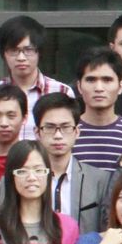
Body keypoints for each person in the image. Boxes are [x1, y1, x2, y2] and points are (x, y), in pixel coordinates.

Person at [0, 15, 73, 150]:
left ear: (39, 52)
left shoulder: (61, 91)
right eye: (14, 50)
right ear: (4, 54)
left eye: (28, 50)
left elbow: (70, 142)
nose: (21, 57)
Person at [32, 93, 110, 233]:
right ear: (37, 132)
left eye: (66, 127)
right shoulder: (21, 178)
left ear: (77, 132)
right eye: (49, 127)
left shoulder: (100, 180)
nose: (58, 135)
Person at [72, 46, 122, 171]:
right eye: (91, 80)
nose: (99, 88)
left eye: (107, 80)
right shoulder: (66, 133)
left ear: (121, 86)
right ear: (79, 87)